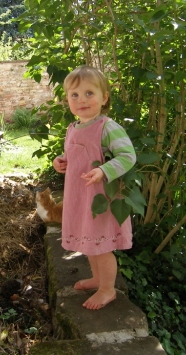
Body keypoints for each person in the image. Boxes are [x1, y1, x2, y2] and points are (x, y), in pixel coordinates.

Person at [52, 65, 136, 310]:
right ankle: (98, 278)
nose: (82, 100)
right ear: (67, 99)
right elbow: (75, 155)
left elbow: (128, 156)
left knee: (101, 247)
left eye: (90, 93)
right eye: (74, 95)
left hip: (101, 199)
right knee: (89, 243)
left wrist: (104, 170)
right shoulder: (73, 128)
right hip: (80, 198)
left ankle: (107, 289)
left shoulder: (107, 127)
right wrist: (61, 160)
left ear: (104, 97)